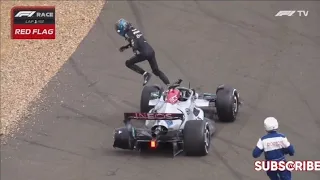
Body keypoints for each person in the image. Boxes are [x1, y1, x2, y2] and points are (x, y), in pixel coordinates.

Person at [115, 18, 170, 86]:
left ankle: (145, 74)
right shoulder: (134, 30)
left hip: (145, 53)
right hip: (151, 51)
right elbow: (136, 40)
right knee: (156, 71)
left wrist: (134, 49)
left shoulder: (128, 33)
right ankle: (169, 85)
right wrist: (126, 47)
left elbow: (133, 40)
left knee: (128, 63)